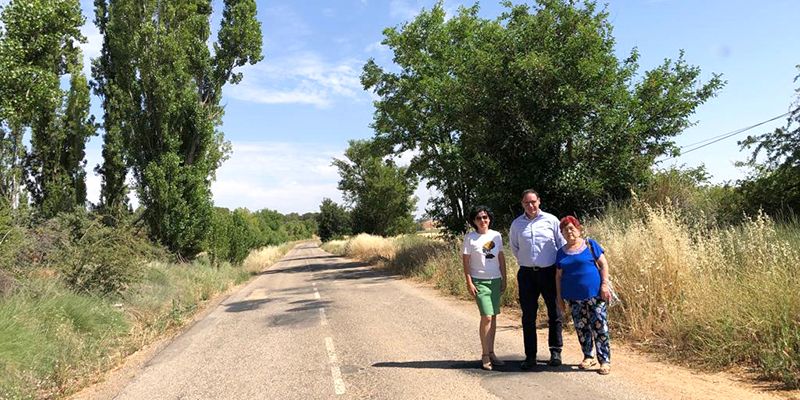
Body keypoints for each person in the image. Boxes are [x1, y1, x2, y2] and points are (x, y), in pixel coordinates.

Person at [509, 189, 565, 369]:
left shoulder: (551, 220)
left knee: (554, 313)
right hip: (526, 274)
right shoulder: (516, 224)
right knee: (528, 316)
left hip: (549, 273)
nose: (531, 205)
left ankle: (555, 352)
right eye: (527, 203)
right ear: (522, 204)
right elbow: (514, 248)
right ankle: (530, 356)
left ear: (539, 201)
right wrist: (529, 261)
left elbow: (562, 245)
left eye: (533, 201)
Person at [555, 215, 612, 375]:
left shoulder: (590, 244)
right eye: (565, 230)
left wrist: (605, 284)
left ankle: (604, 361)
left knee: (600, 327)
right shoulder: (561, 252)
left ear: (578, 229)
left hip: (595, 294)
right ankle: (588, 356)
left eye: (571, 228)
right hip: (574, 297)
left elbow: (603, 264)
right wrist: (559, 297)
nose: (569, 232)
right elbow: (558, 276)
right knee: (581, 328)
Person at [462, 205, 507, 371]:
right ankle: (485, 355)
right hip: (479, 281)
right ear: (474, 221)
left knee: (493, 317)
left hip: (495, 279)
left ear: (489, 219)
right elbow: (466, 262)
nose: (483, 220)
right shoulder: (470, 238)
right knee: (486, 316)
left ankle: (492, 352)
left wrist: (505, 278)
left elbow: (501, 258)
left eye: (485, 217)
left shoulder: (496, 236)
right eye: (479, 218)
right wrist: (469, 282)